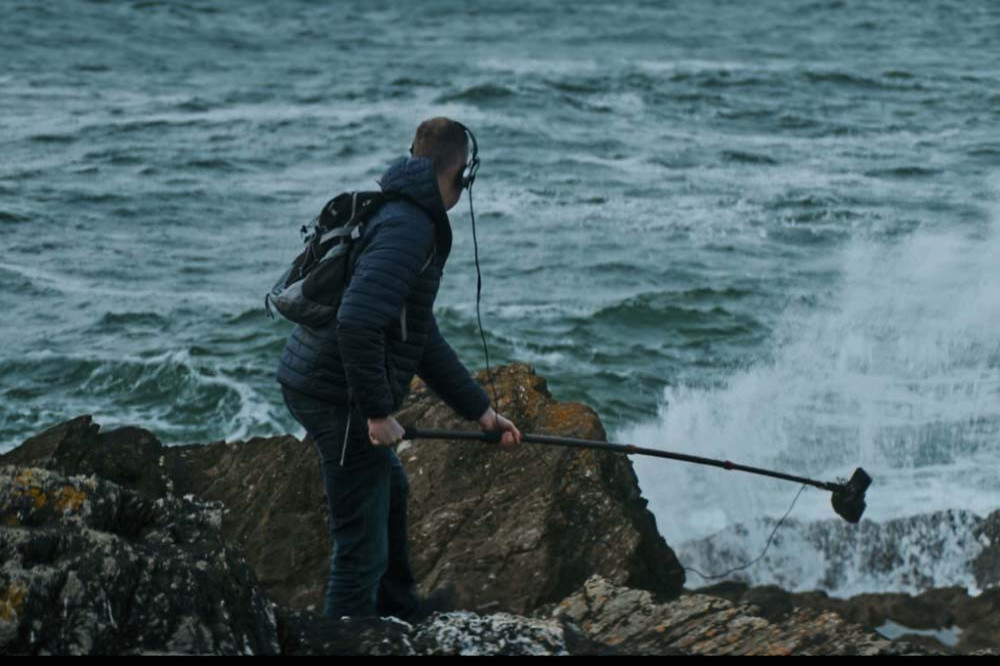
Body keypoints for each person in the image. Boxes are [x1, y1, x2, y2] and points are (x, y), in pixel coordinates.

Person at [276, 117, 523, 621]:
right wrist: (376, 414)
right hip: (336, 396)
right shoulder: (409, 228)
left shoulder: (400, 215)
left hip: (320, 380)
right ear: (461, 174)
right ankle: (348, 640)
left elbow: (420, 337)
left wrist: (481, 413)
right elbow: (357, 321)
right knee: (360, 549)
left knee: (391, 488)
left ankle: (400, 613)